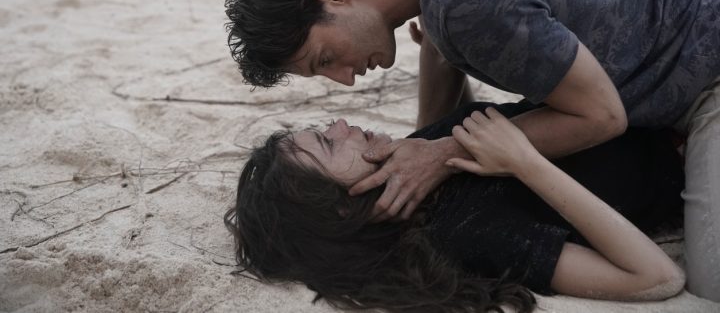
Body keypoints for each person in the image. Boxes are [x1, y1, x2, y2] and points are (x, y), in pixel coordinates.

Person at [223, 0, 720, 299]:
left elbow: (603, 117)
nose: (345, 81)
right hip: (689, 0)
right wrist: (443, 54)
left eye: (326, 57)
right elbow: (444, 103)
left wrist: (446, 151)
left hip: (702, 79)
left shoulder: (462, 4)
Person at [225, 102, 686, 312]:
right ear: (341, 207)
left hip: (645, 97)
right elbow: (655, 278)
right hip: (685, 145)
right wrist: (525, 162)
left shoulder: (413, 159)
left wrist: (436, 47)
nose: (342, 124)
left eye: (327, 128)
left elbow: (446, 116)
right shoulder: (464, 234)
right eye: (329, 143)